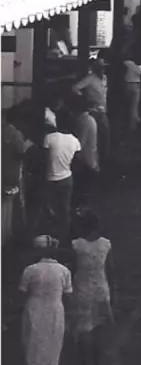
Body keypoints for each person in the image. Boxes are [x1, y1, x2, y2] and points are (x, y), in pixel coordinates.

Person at [19, 235, 72, 365]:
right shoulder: (64, 271)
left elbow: (22, 294)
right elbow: (68, 296)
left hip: (34, 309)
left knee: (33, 344)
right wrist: (69, 316)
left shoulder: (30, 270)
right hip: (55, 310)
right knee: (52, 344)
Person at [70, 212, 115, 365]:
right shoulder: (105, 244)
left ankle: (85, 360)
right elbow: (111, 268)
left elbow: (73, 268)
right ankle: (98, 358)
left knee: (83, 327)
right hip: (101, 287)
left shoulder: (77, 245)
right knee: (100, 324)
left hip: (82, 288)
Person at [42, 124, 81, 244]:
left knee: (50, 209)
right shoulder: (75, 141)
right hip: (66, 178)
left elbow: (44, 159)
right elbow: (77, 161)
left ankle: (49, 238)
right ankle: (63, 238)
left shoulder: (49, 138)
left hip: (50, 179)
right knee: (64, 210)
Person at [3, 109, 33, 248]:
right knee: (8, 210)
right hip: (11, 175)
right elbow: (21, 152)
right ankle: (5, 238)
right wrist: (28, 144)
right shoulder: (15, 134)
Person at [72, 60, 109, 166]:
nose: (102, 69)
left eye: (103, 67)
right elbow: (75, 88)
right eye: (100, 67)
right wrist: (85, 99)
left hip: (103, 110)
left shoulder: (105, 78)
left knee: (105, 137)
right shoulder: (89, 79)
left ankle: (104, 161)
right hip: (94, 111)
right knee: (95, 138)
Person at [70, 96, 99, 209]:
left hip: (85, 161)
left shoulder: (84, 121)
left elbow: (79, 144)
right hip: (90, 160)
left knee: (81, 191)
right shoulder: (87, 120)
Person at [123, 58, 141, 131]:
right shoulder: (137, 66)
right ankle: (133, 126)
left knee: (127, 105)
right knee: (134, 106)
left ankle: (126, 124)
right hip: (135, 85)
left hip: (127, 84)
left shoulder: (125, 63)